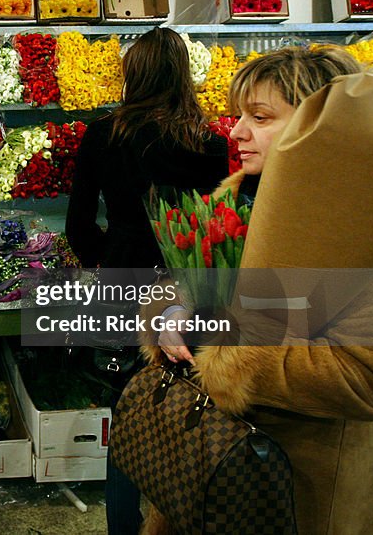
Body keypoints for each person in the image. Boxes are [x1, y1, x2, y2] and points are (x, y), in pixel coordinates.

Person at [141, 46, 373, 535]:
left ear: (323, 131)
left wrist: (226, 349)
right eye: (239, 116)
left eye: (259, 117)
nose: (235, 132)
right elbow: (184, 286)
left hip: (297, 489)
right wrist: (169, 313)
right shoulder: (233, 195)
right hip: (205, 464)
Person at [66, 27, 229, 535]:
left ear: (132, 75)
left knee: (131, 413)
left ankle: (122, 524)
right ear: (183, 75)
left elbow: (77, 225)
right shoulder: (209, 143)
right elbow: (222, 224)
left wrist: (108, 257)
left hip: (125, 279)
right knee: (192, 408)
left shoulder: (104, 135)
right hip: (194, 286)